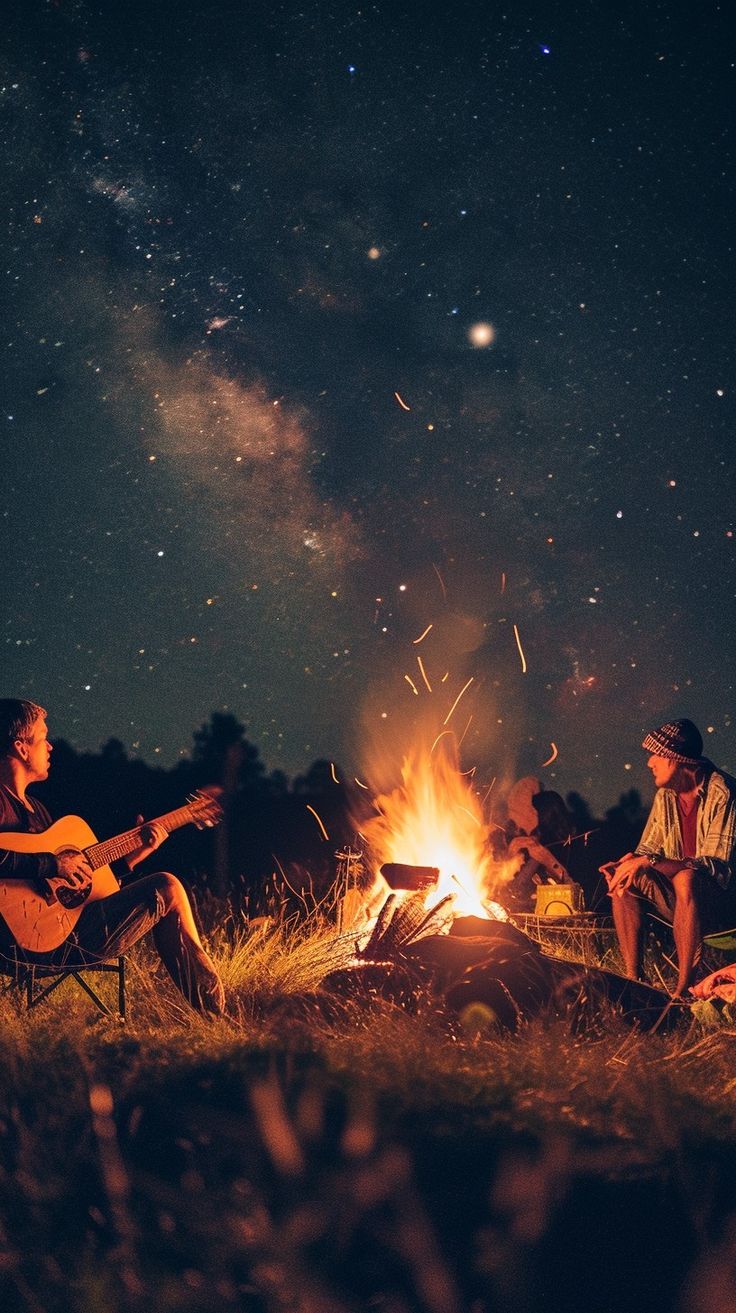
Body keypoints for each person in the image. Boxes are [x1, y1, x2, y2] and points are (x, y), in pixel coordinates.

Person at [0, 699, 225, 1016]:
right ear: (22, 748)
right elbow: (47, 869)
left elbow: (76, 890)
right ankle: (216, 1015)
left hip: (62, 934)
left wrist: (134, 856)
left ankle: (215, 1012)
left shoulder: (38, 811)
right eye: (43, 736)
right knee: (168, 887)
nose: (50, 746)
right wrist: (53, 863)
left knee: (164, 886)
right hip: (18, 946)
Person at [602, 719, 736, 997]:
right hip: (684, 901)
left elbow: (718, 869)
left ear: (678, 759)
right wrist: (628, 862)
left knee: (687, 878)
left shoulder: (723, 792)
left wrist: (646, 861)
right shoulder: (666, 796)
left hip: (724, 908)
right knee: (627, 876)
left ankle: (682, 992)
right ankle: (635, 982)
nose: (650, 763)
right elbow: (647, 851)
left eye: (657, 755)